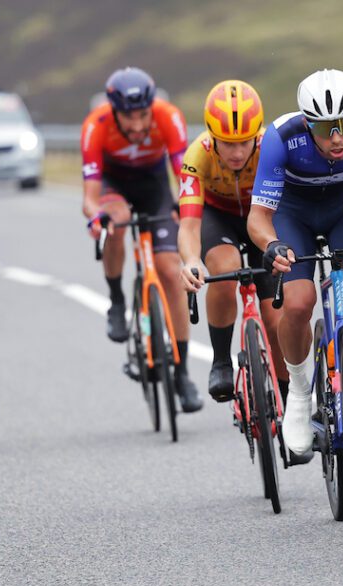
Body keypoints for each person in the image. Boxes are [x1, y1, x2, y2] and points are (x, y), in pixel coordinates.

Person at [248, 69, 343, 456]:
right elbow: (259, 216)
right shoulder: (281, 138)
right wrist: (273, 245)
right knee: (297, 302)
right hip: (293, 215)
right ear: (308, 123)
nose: (337, 138)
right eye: (326, 128)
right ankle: (298, 393)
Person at [80, 67, 202, 413]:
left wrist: (184, 206)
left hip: (153, 186)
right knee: (115, 222)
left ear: (153, 108)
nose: (136, 126)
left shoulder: (169, 116)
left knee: (169, 269)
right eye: (128, 118)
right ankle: (117, 300)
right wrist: (95, 217)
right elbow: (90, 196)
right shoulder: (95, 125)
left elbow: (184, 176)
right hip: (112, 186)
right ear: (114, 111)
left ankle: (181, 374)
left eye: (143, 116)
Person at [178, 80, 285, 403]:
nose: (237, 152)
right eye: (227, 143)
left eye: (244, 142)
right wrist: (192, 260)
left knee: (275, 316)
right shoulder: (196, 154)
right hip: (217, 216)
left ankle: (288, 393)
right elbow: (189, 224)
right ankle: (222, 361)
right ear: (212, 136)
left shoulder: (272, 148)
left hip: (261, 218)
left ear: (258, 134)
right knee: (225, 269)